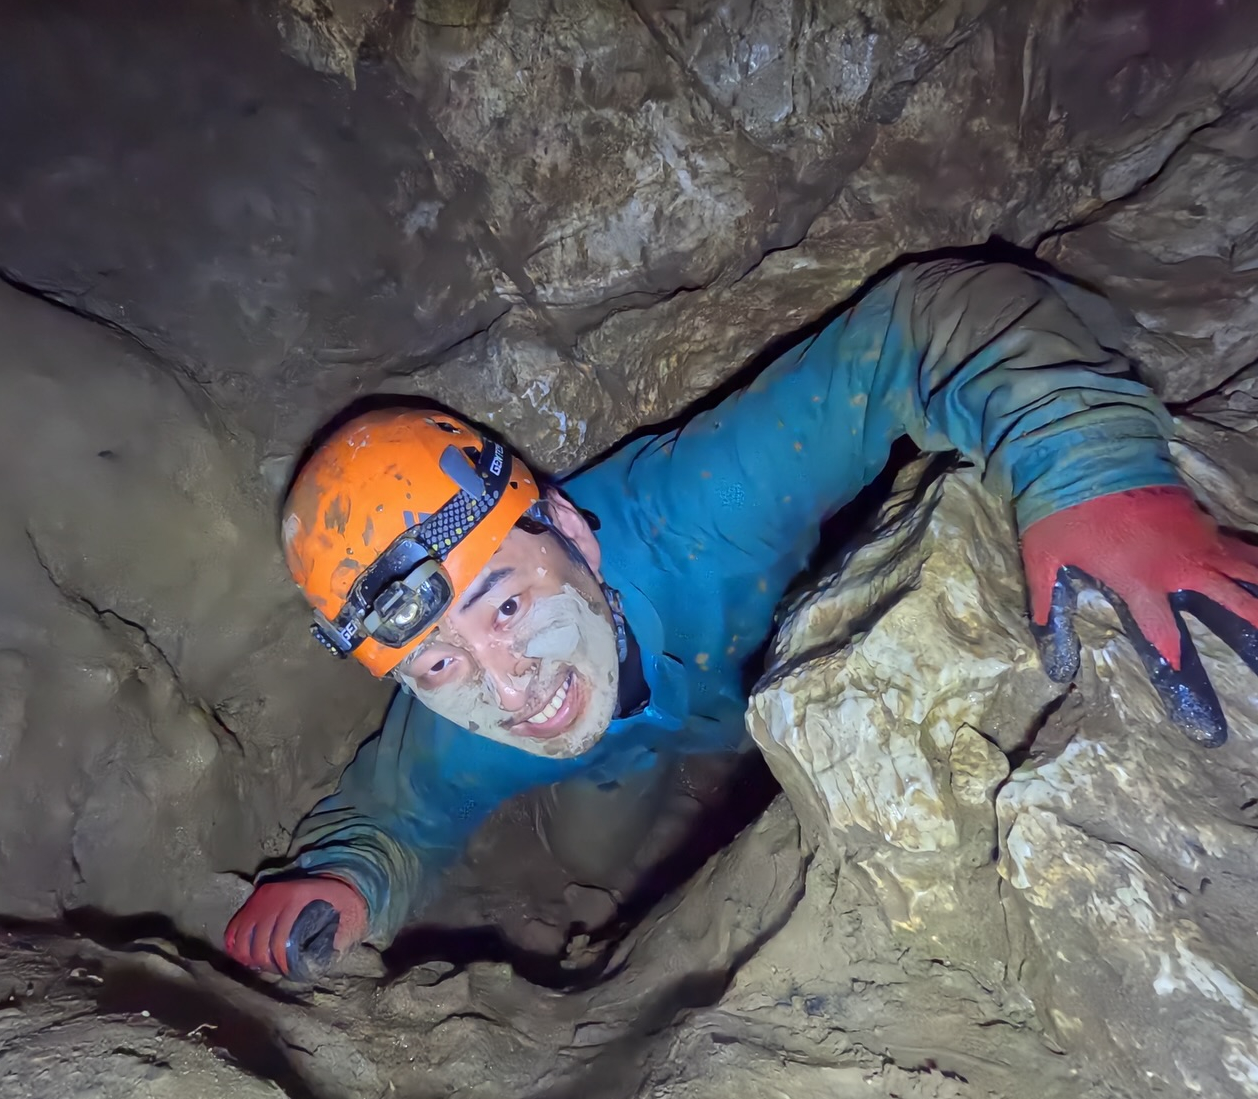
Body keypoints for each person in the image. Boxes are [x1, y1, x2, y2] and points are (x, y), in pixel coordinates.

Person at [224, 257, 1258, 982]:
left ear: (574, 535)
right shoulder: (463, 731)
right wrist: (345, 883)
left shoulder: (702, 508)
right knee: (592, 853)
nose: (508, 687)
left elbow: (913, 326)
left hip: (744, 656)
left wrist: (1092, 476)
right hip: (632, 749)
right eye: (436, 661)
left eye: (504, 601)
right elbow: (393, 813)